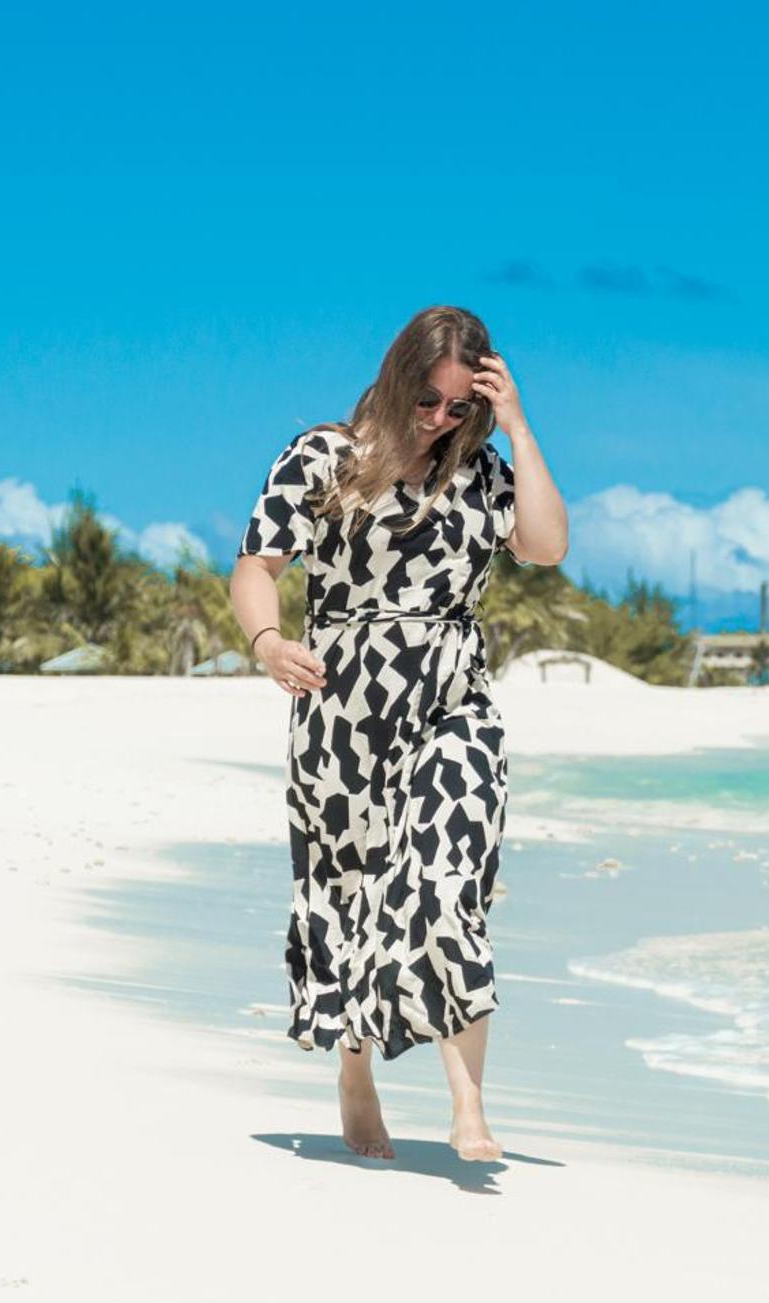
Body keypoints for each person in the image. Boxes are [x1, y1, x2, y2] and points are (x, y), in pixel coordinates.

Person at [229, 305, 568, 1162]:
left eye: (461, 406)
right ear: (396, 378)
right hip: (343, 707)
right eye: (427, 400)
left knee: (450, 882)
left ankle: (467, 1102)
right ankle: (355, 1073)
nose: (440, 419)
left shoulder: (483, 472)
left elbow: (546, 546)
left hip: (453, 700)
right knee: (352, 895)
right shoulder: (323, 456)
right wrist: (268, 642)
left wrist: (518, 427)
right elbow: (257, 564)